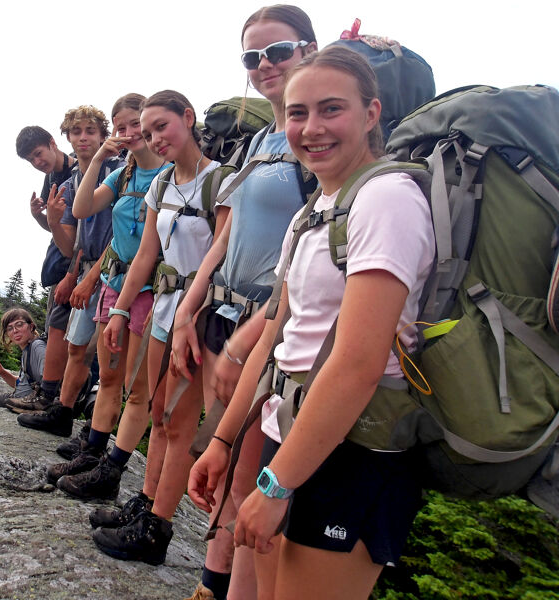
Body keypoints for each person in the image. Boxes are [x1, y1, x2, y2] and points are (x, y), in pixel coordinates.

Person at [189, 45, 435, 599]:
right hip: (291, 430)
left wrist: (277, 484)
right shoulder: (315, 210)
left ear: (371, 114)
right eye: (298, 113)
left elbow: (358, 366)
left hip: (356, 448)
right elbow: (279, 335)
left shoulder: (387, 199)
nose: (311, 128)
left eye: (331, 110)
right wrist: (223, 440)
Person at [172, 6, 317, 599]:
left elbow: (310, 259)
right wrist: (189, 306)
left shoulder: (315, 140)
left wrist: (248, 338)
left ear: (309, 49)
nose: (264, 66)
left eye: (278, 52)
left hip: (273, 332)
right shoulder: (260, 138)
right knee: (230, 470)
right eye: (252, 58)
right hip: (226, 317)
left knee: (257, 484)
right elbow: (227, 234)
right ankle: (213, 583)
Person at [91, 90, 233, 566]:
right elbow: (147, 254)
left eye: (161, 127)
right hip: (163, 311)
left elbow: (221, 256)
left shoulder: (223, 183)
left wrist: (190, 314)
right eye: (148, 132)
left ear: (188, 119)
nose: (154, 138)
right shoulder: (163, 185)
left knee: (176, 421)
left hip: (202, 318)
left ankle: (158, 529)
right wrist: (118, 310)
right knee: (157, 413)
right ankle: (147, 503)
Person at [41, 93, 171, 498]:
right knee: (111, 377)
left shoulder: (169, 174)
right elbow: (81, 210)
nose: (130, 134)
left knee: (136, 388)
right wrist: (98, 158)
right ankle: (92, 452)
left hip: (151, 291)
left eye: (137, 125)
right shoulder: (123, 175)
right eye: (123, 127)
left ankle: (111, 471)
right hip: (116, 285)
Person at [18, 105, 123, 437]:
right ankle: (61, 413)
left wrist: (87, 278)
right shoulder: (73, 179)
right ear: (66, 137)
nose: (82, 138)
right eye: (75, 132)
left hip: (114, 272)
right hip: (87, 269)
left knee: (108, 365)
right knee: (77, 349)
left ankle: (96, 438)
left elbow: (125, 234)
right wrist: (50, 219)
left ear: (103, 135)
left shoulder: (120, 170)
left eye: (90, 131)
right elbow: (69, 246)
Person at [13, 126, 76, 413]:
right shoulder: (50, 179)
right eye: (31, 160)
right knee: (54, 329)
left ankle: (58, 399)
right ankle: (48, 392)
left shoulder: (80, 171)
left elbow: (82, 231)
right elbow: (53, 229)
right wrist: (39, 215)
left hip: (78, 263)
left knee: (68, 335)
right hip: (60, 265)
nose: (37, 162)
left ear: (52, 143)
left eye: (38, 154)